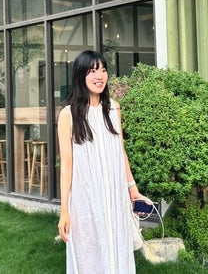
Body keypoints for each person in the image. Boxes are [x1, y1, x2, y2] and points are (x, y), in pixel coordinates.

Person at [57, 50, 147, 273]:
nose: (100, 76)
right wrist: (64, 209)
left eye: (103, 70)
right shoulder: (68, 115)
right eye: (93, 71)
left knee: (118, 249)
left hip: (115, 197)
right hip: (85, 199)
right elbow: (67, 164)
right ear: (81, 75)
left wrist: (132, 189)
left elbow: (120, 152)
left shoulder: (114, 109)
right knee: (89, 254)